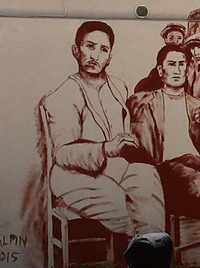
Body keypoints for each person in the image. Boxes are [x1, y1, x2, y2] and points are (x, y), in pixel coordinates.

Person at [41, 21, 165, 238]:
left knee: (147, 175)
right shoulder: (62, 95)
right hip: (72, 175)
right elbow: (62, 153)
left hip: (114, 168)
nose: (95, 55)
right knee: (125, 207)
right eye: (90, 46)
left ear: (110, 57)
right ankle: (142, 253)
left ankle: (152, 256)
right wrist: (106, 149)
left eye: (103, 49)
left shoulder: (119, 87)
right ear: (76, 50)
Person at [128, 44, 200, 245]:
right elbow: (137, 145)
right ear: (161, 71)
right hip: (166, 168)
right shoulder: (142, 102)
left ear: (188, 69)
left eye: (182, 64)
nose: (178, 69)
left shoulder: (197, 106)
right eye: (172, 64)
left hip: (195, 163)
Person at [135, 23, 188, 93]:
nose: (175, 41)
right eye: (171, 38)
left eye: (179, 38)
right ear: (166, 40)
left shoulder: (187, 56)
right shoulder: (163, 54)